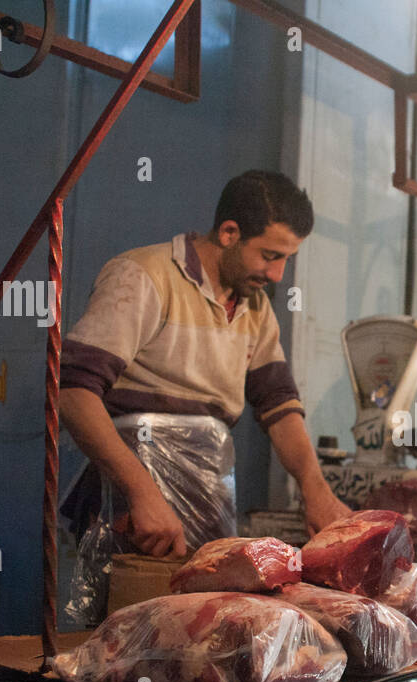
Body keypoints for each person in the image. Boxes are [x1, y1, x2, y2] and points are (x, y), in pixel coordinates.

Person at [59, 171, 350, 562]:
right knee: (119, 618)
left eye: (287, 259)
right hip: (124, 503)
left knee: (202, 617)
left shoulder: (256, 307)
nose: (278, 275)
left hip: (209, 501)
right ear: (229, 233)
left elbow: (278, 404)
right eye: (270, 255)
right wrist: (140, 490)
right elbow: (73, 392)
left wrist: (317, 491)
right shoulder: (144, 275)